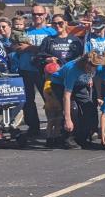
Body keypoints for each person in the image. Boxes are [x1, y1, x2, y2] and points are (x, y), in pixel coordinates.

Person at [36, 13, 84, 146]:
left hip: (72, 79)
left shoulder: (75, 40)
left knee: (72, 108)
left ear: (66, 24)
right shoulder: (48, 40)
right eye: (54, 23)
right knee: (55, 110)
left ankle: (70, 136)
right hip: (54, 80)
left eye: (60, 23)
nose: (57, 26)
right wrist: (47, 60)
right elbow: (37, 58)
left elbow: (82, 58)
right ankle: (52, 137)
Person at [18, 4, 56, 136]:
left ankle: (54, 125)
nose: (37, 17)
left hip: (43, 71)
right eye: (34, 14)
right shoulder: (25, 31)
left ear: (45, 15)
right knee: (28, 100)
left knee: (49, 99)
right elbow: (17, 46)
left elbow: (49, 51)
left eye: (40, 14)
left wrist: (29, 48)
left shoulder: (51, 33)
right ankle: (33, 126)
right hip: (26, 69)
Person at [59, 51, 105, 149]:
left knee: (90, 107)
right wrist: (67, 119)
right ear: (86, 63)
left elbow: (97, 76)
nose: (95, 68)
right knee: (73, 109)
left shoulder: (96, 65)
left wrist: (90, 80)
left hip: (79, 84)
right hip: (60, 85)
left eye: (96, 66)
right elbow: (66, 96)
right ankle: (68, 138)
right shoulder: (73, 70)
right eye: (92, 66)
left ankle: (82, 138)